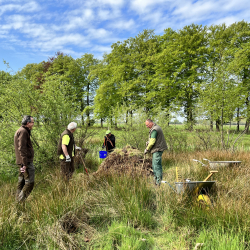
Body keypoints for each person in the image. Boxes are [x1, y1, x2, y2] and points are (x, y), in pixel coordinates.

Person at [14, 115, 35, 202]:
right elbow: (22, 148)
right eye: (32, 122)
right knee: (30, 182)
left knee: (21, 181)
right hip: (25, 162)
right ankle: (19, 202)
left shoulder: (22, 130)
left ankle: (17, 200)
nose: (33, 124)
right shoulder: (23, 131)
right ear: (28, 123)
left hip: (21, 161)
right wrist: (25, 164)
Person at [144, 119, 168, 186]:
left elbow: (152, 141)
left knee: (156, 166)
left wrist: (147, 149)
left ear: (151, 123)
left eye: (147, 125)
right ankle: (156, 181)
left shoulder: (155, 129)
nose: (147, 126)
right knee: (154, 166)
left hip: (157, 150)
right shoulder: (155, 127)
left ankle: (158, 183)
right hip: (157, 149)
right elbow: (152, 140)